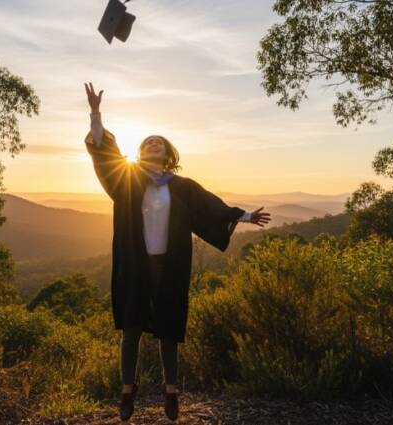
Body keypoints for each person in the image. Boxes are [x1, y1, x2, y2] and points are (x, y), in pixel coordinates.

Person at [83, 82, 271, 422]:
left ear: (168, 153)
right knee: (132, 327)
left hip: (170, 265)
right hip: (136, 263)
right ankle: (128, 392)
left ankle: (171, 393)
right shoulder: (126, 178)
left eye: (158, 141)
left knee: (169, 327)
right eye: (146, 141)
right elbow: (102, 151)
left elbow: (210, 206)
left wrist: (243, 215)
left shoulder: (181, 186)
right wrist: (96, 113)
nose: (152, 142)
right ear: (140, 152)